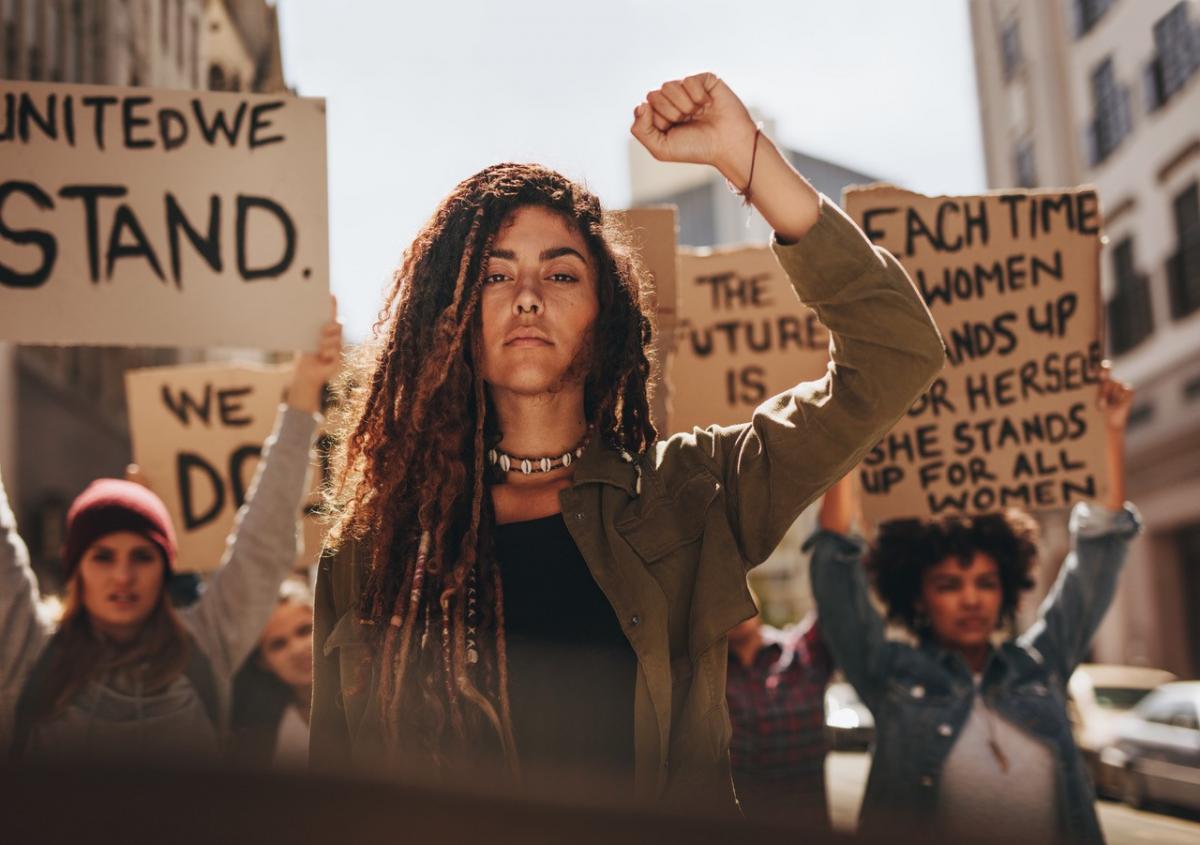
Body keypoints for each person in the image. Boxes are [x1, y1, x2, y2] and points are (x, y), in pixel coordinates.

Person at [311, 71, 945, 810]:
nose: (527, 295)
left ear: (605, 316)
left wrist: (745, 159)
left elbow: (896, 348)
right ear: (447, 315)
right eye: (493, 273)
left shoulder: (691, 494)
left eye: (562, 272)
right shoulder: (373, 547)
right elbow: (336, 797)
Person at [809, 369, 1136, 844]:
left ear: (1005, 587)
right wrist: (853, 430)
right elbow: (835, 561)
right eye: (949, 584)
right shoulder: (891, 677)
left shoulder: (1040, 667)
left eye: (985, 582)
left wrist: (1109, 430)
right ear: (918, 594)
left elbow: (1099, 553)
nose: (970, 598)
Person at [0, 308, 341, 760]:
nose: (123, 575)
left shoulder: (204, 642)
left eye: (142, 556)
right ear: (75, 565)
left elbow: (265, 539)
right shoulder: (29, 648)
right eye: (102, 556)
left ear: (166, 565)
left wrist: (303, 392)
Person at [726, 599, 832, 827]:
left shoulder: (801, 651)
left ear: (756, 603)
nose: (732, 605)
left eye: (735, 595)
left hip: (807, 824)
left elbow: (834, 604)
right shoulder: (703, 678)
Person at [230, 578, 315, 769]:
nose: (297, 649)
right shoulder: (264, 737)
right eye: (278, 644)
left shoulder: (374, 697)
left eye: (304, 630)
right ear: (263, 662)